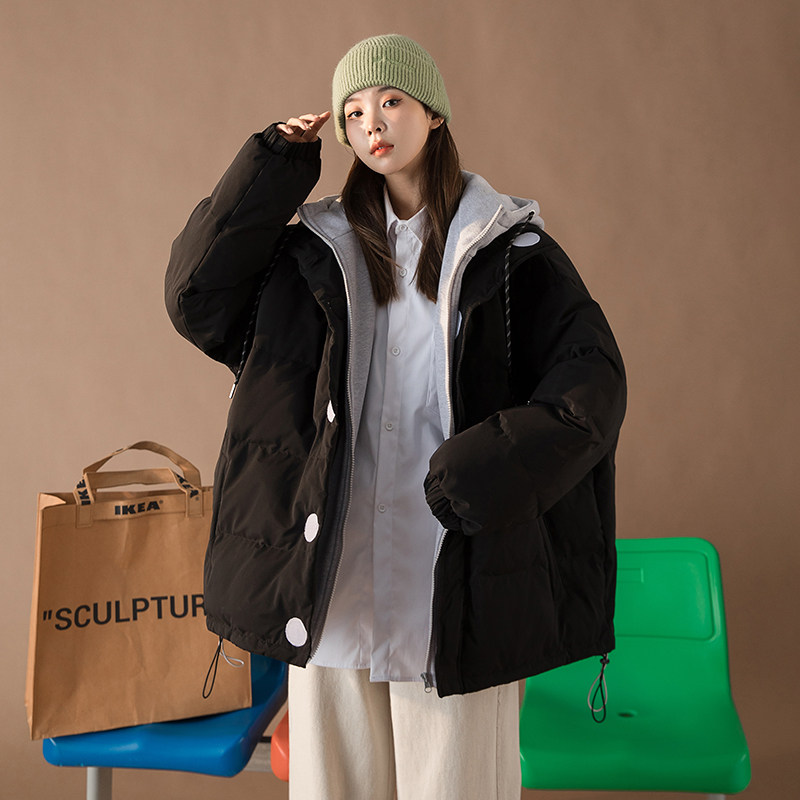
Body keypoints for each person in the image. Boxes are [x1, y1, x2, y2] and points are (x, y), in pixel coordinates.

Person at [165, 33, 625, 800]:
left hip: (457, 582)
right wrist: (271, 168)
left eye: (390, 100)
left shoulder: (511, 249)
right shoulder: (310, 252)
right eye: (352, 111)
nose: (371, 122)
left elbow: (593, 383)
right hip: (331, 579)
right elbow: (194, 298)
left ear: (433, 113)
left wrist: (497, 467)